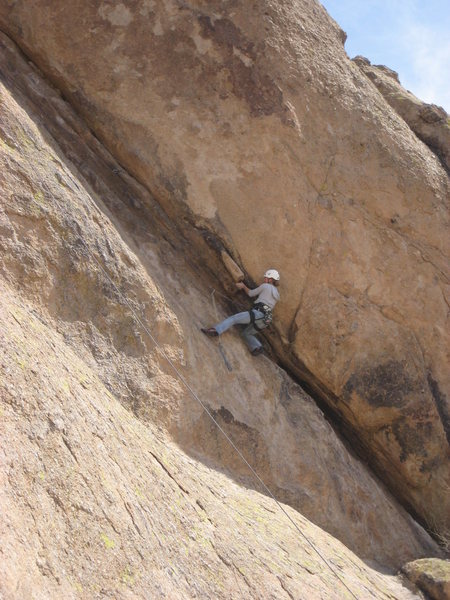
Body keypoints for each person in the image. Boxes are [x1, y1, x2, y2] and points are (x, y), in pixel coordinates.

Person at [201, 269, 280, 356]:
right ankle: (257, 347)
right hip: (266, 320)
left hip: (258, 313)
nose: (264, 279)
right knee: (246, 334)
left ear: (271, 279)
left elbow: (251, 293)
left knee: (234, 319)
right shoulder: (277, 294)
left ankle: (215, 330)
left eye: (266, 278)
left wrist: (243, 286)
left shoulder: (265, 286)